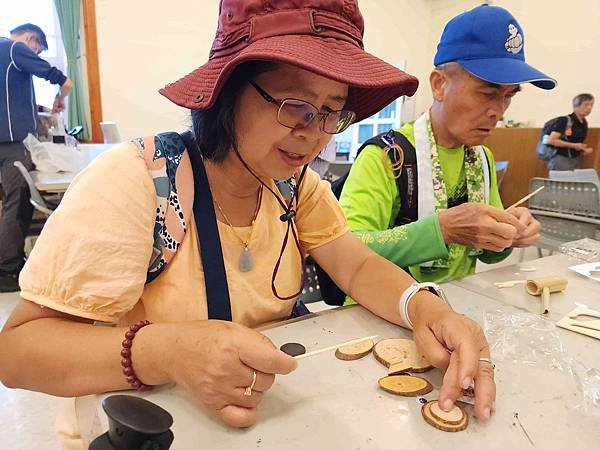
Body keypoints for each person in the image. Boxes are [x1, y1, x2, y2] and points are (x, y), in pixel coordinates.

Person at [0, 1, 495, 445]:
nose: (313, 135)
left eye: (331, 113)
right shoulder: (144, 183)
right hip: (145, 426)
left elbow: (358, 267)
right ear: (226, 92)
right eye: (294, 105)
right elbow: (19, 353)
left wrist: (426, 309)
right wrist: (166, 350)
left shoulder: (293, 186)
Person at [339, 4, 553, 284]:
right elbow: (345, 249)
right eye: (487, 93)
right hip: (379, 311)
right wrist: (441, 231)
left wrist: (508, 234)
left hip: (457, 306)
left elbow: (486, 254)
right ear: (439, 85)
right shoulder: (387, 155)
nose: (498, 111)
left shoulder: (481, 158)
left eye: (508, 96)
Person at [0, 23, 72, 292]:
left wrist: (37, 108)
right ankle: (8, 271)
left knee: (11, 201)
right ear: (31, 39)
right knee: (18, 203)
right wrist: (60, 98)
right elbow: (63, 80)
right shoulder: (16, 49)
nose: (37, 54)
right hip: (11, 144)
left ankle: (11, 262)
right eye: (39, 49)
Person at [546, 93, 595, 171]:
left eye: (591, 105)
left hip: (575, 159)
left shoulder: (584, 122)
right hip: (560, 159)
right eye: (586, 105)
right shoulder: (565, 120)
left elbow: (574, 141)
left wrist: (582, 149)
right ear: (576, 106)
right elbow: (551, 140)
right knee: (561, 183)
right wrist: (574, 145)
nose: (589, 108)